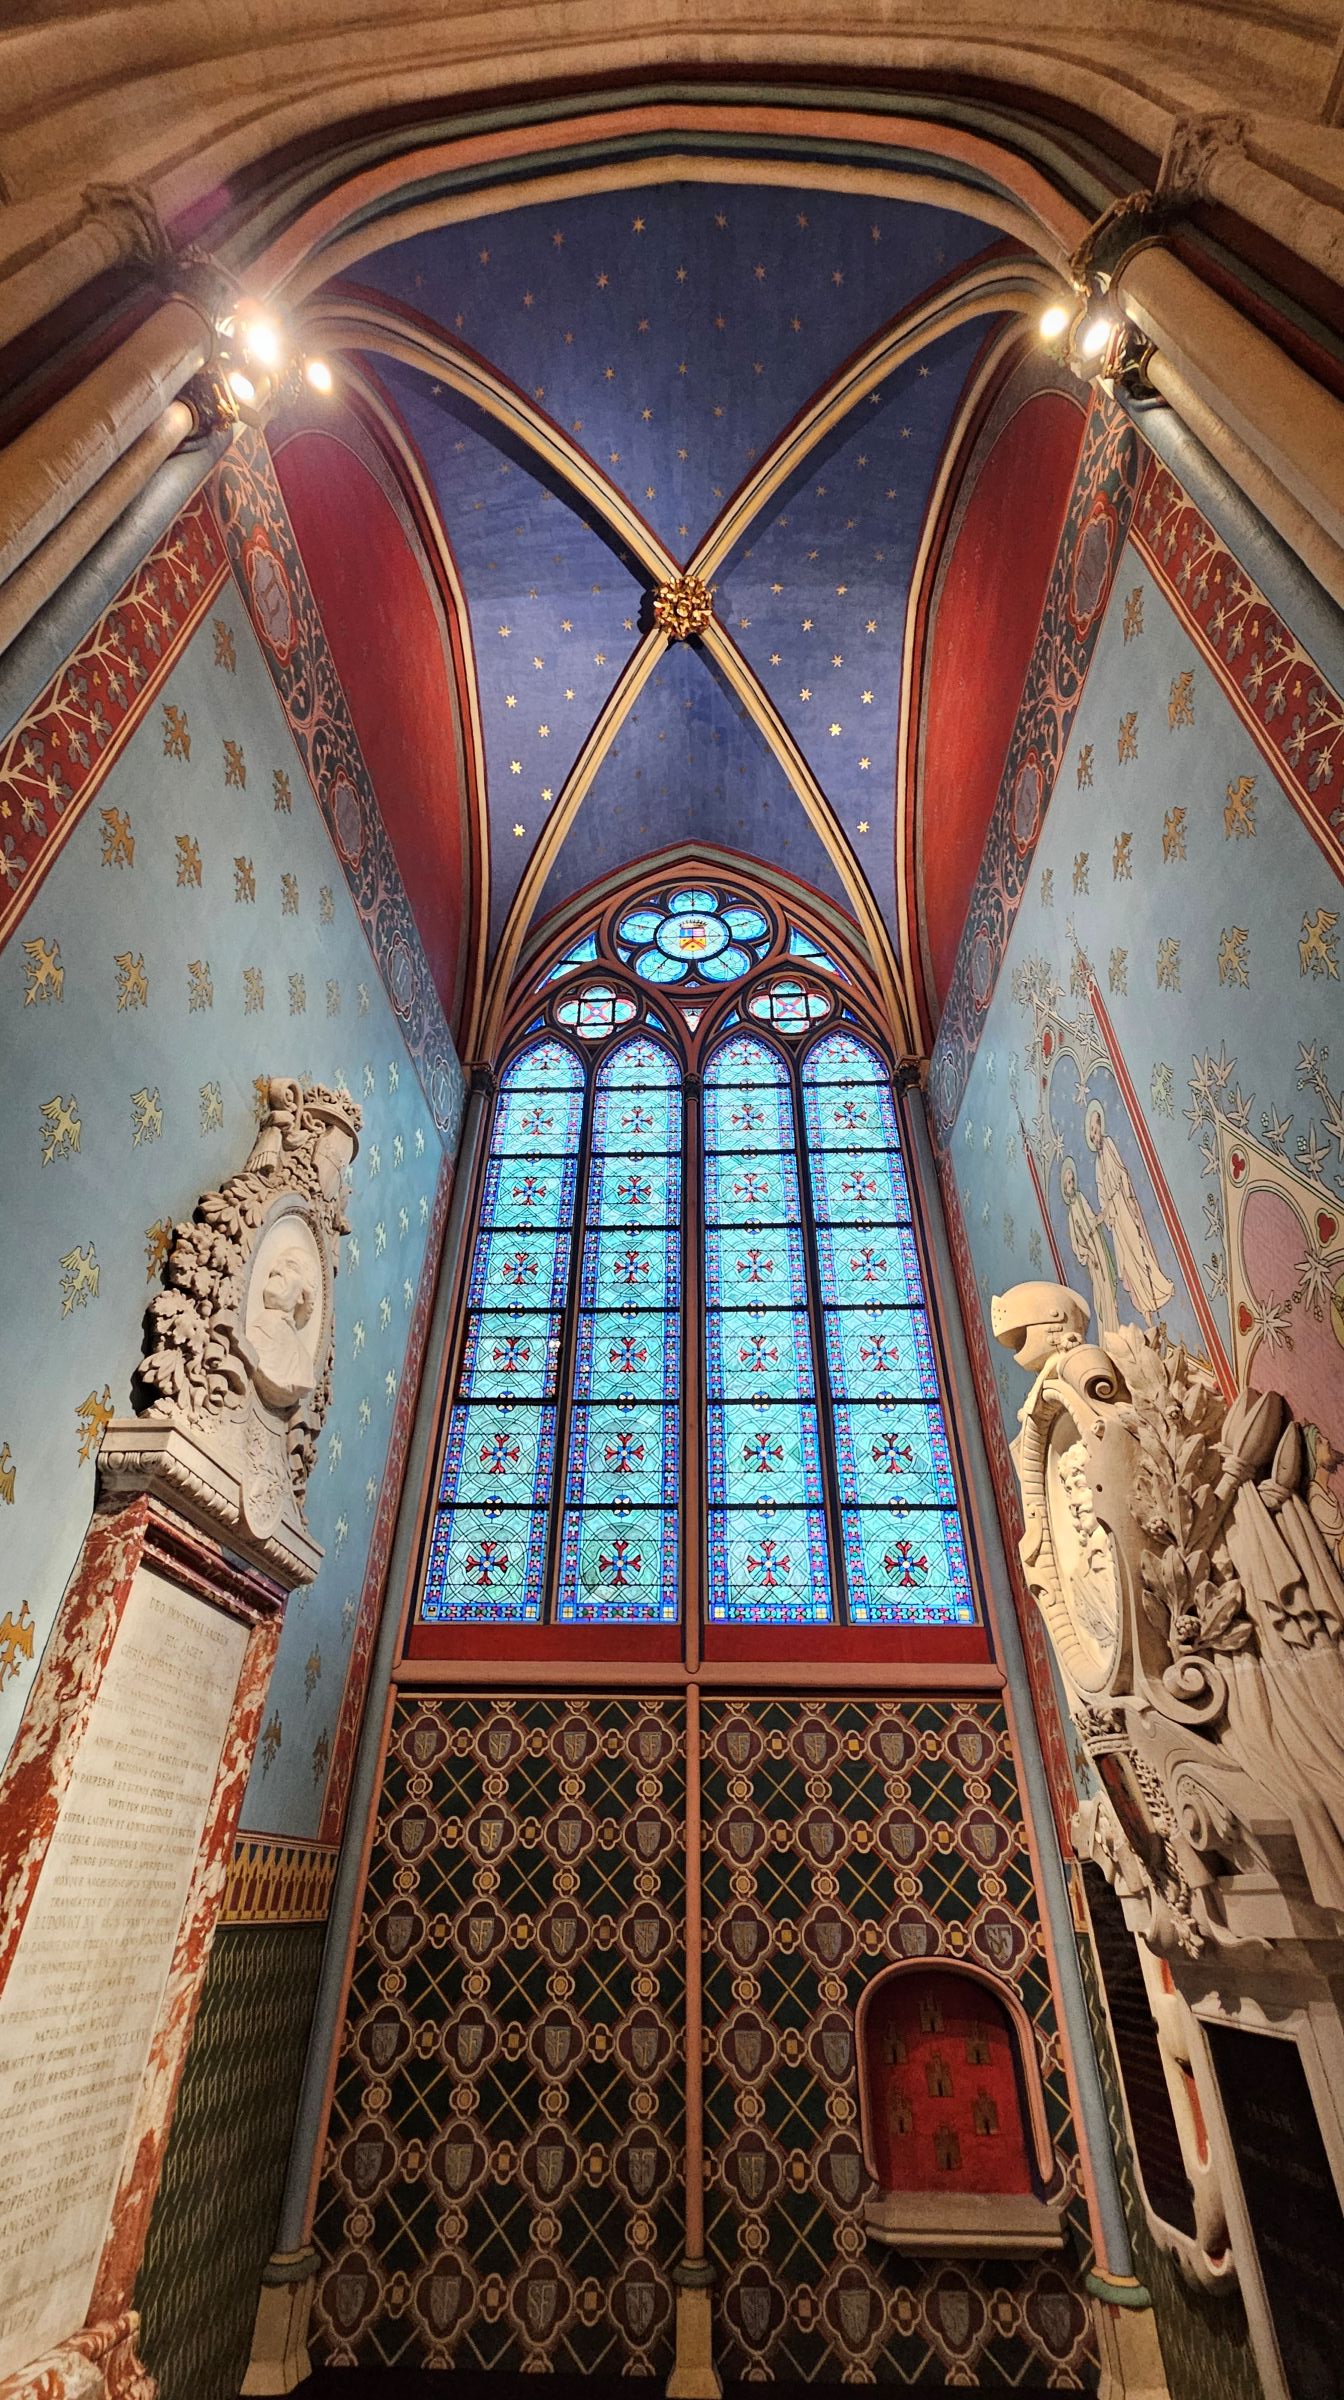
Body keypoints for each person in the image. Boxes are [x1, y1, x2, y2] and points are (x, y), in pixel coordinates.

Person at [1084, 1099, 1174, 1325]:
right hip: (1115, 1219)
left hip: (1123, 1207)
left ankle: (1155, 1293)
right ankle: (1144, 1308)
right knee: (1126, 1262)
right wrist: (1102, 1216)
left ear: (1100, 1127)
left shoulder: (1109, 1145)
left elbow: (1122, 1173)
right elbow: (1102, 1194)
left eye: (1095, 1129)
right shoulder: (1097, 1163)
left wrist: (1131, 1199)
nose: (1095, 1135)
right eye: (1092, 1132)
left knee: (1137, 1250)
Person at [1060, 1156, 1120, 1336]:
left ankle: (1114, 1322)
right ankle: (1108, 1330)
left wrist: (1104, 1214)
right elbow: (1076, 1244)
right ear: (1065, 1189)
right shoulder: (1071, 1215)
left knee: (1108, 1282)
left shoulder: (1081, 1198)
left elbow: (1092, 1219)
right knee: (1101, 1289)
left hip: (1098, 1242)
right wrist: (1088, 1254)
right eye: (1068, 1183)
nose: (1072, 1185)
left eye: (1072, 1181)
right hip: (1092, 1253)